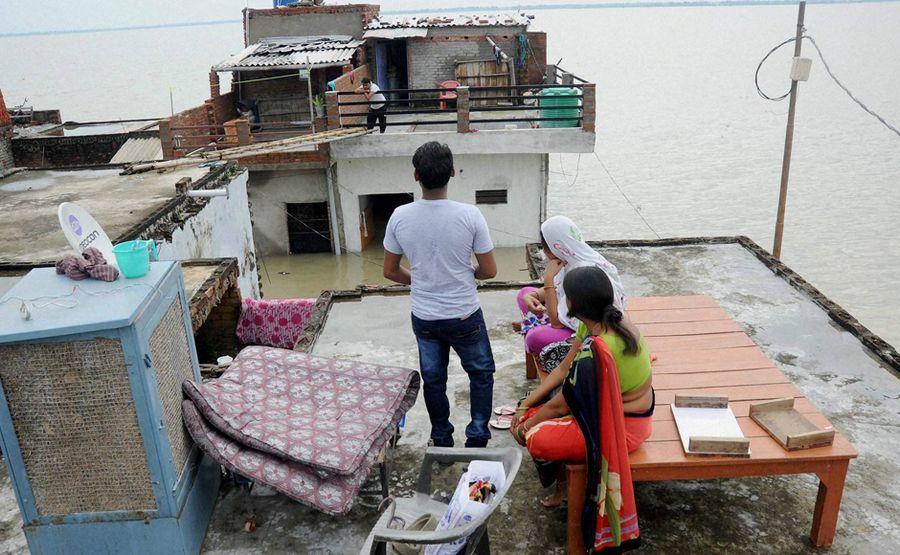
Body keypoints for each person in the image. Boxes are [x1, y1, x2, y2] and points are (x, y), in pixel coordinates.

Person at [511, 266, 653, 523]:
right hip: (606, 413)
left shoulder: (600, 349)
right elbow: (564, 368)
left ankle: (565, 485)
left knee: (536, 436)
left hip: (624, 428)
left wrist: (526, 426)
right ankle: (562, 485)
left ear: (573, 303)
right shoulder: (599, 324)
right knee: (531, 415)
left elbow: (561, 405)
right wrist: (525, 404)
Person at [383, 141, 498, 448]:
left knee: (434, 379)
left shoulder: (399, 216)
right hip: (464, 314)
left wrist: (422, 281)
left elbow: (390, 271)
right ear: (452, 172)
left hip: (425, 317)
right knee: (481, 373)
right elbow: (489, 270)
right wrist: (462, 274)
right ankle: (476, 437)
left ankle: (442, 436)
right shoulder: (470, 215)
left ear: (416, 175)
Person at [516, 215, 626, 361]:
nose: (544, 253)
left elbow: (556, 322)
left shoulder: (581, 272)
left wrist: (548, 278)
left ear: (555, 248)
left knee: (533, 338)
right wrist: (534, 295)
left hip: (587, 331)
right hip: (572, 313)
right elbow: (559, 286)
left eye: (545, 248)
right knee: (524, 294)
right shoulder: (573, 256)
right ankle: (533, 324)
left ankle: (532, 327)